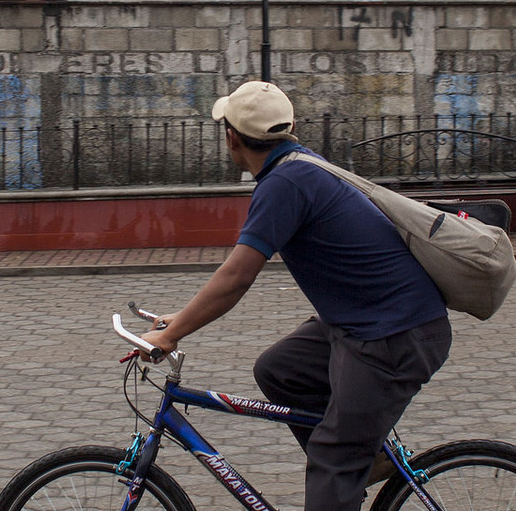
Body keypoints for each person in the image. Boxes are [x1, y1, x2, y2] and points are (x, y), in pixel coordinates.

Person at [144, 80, 452, 511]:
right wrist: (179, 319)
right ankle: (368, 455)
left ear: (232, 139)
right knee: (280, 369)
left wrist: (174, 334)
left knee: (332, 458)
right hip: (366, 324)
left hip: (394, 336)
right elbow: (234, 276)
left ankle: (350, 460)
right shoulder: (298, 165)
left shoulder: (285, 182)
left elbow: (237, 276)